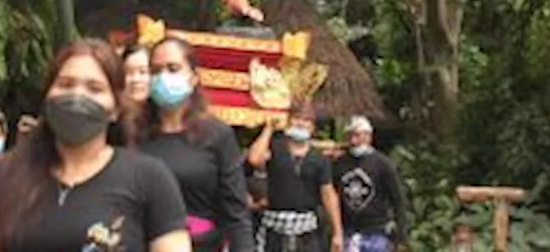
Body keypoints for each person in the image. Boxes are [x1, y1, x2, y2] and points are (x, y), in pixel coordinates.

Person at [0, 39, 192, 252]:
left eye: (94, 88)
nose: (77, 96)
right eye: (65, 84)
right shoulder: (7, 172)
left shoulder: (148, 179)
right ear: (47, 96)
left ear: (115, 108)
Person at [139, 37, 254, 252]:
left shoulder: (218, 135)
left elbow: (236, 213)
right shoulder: (132, 134)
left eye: (173, 68)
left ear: (193, 78)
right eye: (155, 70)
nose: (163, 76)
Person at [246, 104, 343, 252]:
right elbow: (254, 159)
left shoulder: (319, 159)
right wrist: (269, 129)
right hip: (274, 228)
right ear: (289, 121)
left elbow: (328, 194)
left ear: (312, 127)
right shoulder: (274, 147)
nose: (301, 124)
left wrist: (337, 232)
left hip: (306, 230)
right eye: (297, 118)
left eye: (306, 120)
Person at [330, 117, 408, 252]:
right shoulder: (339, 164)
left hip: (377, 232)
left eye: (357, 135)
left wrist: (400, 234)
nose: (353, 141)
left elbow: (397, 199)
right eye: (350, 136)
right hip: (349, 231)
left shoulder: (383, 164)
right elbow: (331, 195)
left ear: (368, 136)